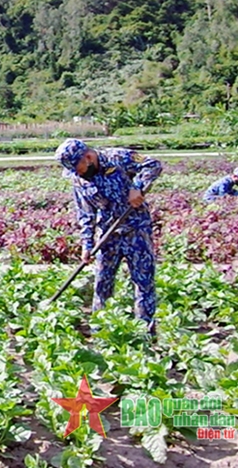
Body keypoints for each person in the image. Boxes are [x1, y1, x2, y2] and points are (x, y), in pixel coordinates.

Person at [55, 139, 162, 334]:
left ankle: (145, 331)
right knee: (102, 282)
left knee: (143, 281)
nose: (76, 172)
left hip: (136, 229)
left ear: (87, 157)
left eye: (77, 167)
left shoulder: (118, 157)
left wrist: (137, 187)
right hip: (107, 234)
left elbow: (153, 164)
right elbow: (85, 215)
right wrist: (87, 245)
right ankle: (100, 329)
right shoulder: (78, 179)